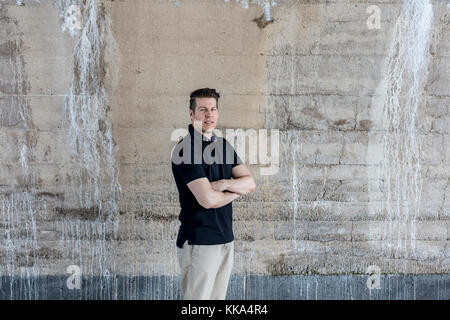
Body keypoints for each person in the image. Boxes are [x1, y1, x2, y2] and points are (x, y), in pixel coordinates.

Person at [171, 88, 256, 300]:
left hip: (226, 238)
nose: (209, 115)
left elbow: (250, 183)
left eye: (213, 109)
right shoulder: (185, 151)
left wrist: (225, 184)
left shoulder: (223, 146)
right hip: (200, 241)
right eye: (203, 109)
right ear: (192, 114)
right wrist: (237, 192)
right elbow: (207, 200)